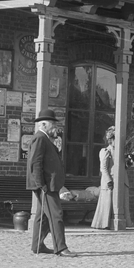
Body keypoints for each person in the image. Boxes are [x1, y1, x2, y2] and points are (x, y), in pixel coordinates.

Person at [27, 109, 77, 257]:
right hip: (46, 185)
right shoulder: (40, 138)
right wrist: (41, 184)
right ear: (43, 124)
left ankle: (37, 245)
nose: (55, 126)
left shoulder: (46, 139)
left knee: (42, 216)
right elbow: (35, 163)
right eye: (52, 123)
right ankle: (61, 247)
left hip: (48, 184)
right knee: (56, 215)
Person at [91, 126, 131, 230]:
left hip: (121, 180)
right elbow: (103, 168)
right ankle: (105, 223)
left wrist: (129, 161)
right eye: (115, 139)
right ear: (111, 139)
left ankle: (122, 222)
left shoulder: (121, 153)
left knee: (122, 202)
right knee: (108, 202)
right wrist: (109, 180)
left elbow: (124, 166)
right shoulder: (105, 151)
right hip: (111, 181)